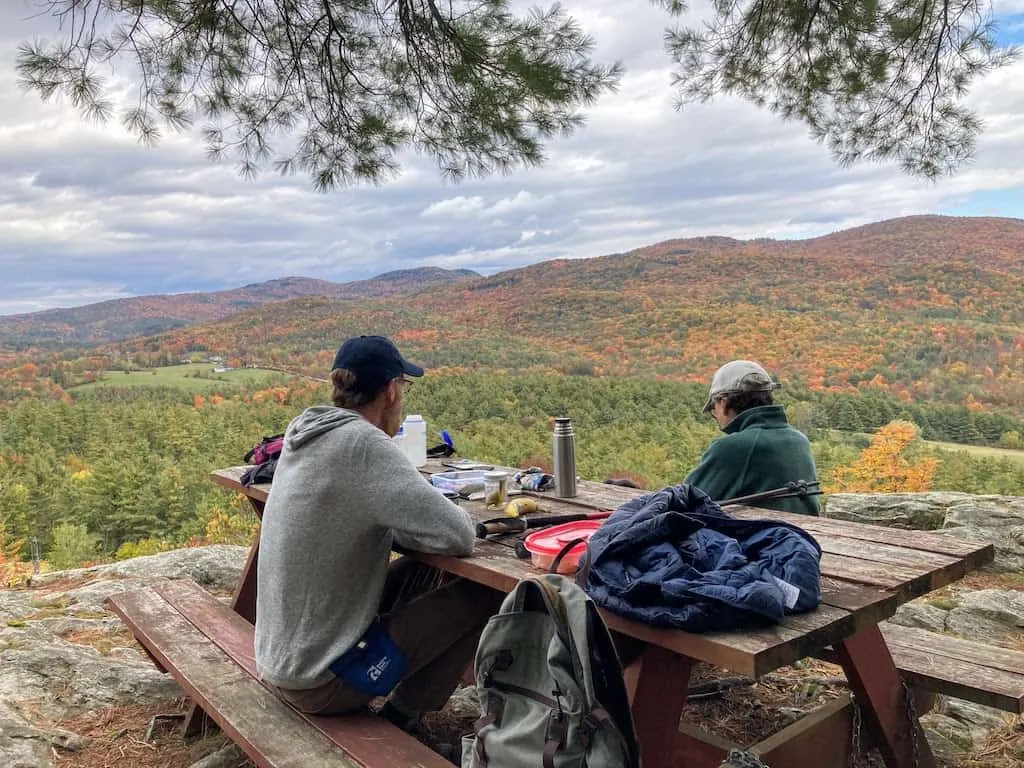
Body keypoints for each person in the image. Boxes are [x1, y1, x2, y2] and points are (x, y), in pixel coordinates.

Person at [254, 334, 499, 729]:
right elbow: (458, 535)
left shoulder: (308, 431)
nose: (403, 396)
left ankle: (407, 701)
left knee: (428, 570)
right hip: (321, 682)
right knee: (484, 592)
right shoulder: (363, 443)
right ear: (389, 391)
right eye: (404, 386)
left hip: (280, 660)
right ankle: (404, 715)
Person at [685, 360, 820, 516]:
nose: (715, 415)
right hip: (806, 535)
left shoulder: (734, 447)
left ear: (723, 401)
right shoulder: (799, 440)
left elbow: (686, 499)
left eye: (713, 408)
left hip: (766, 539)